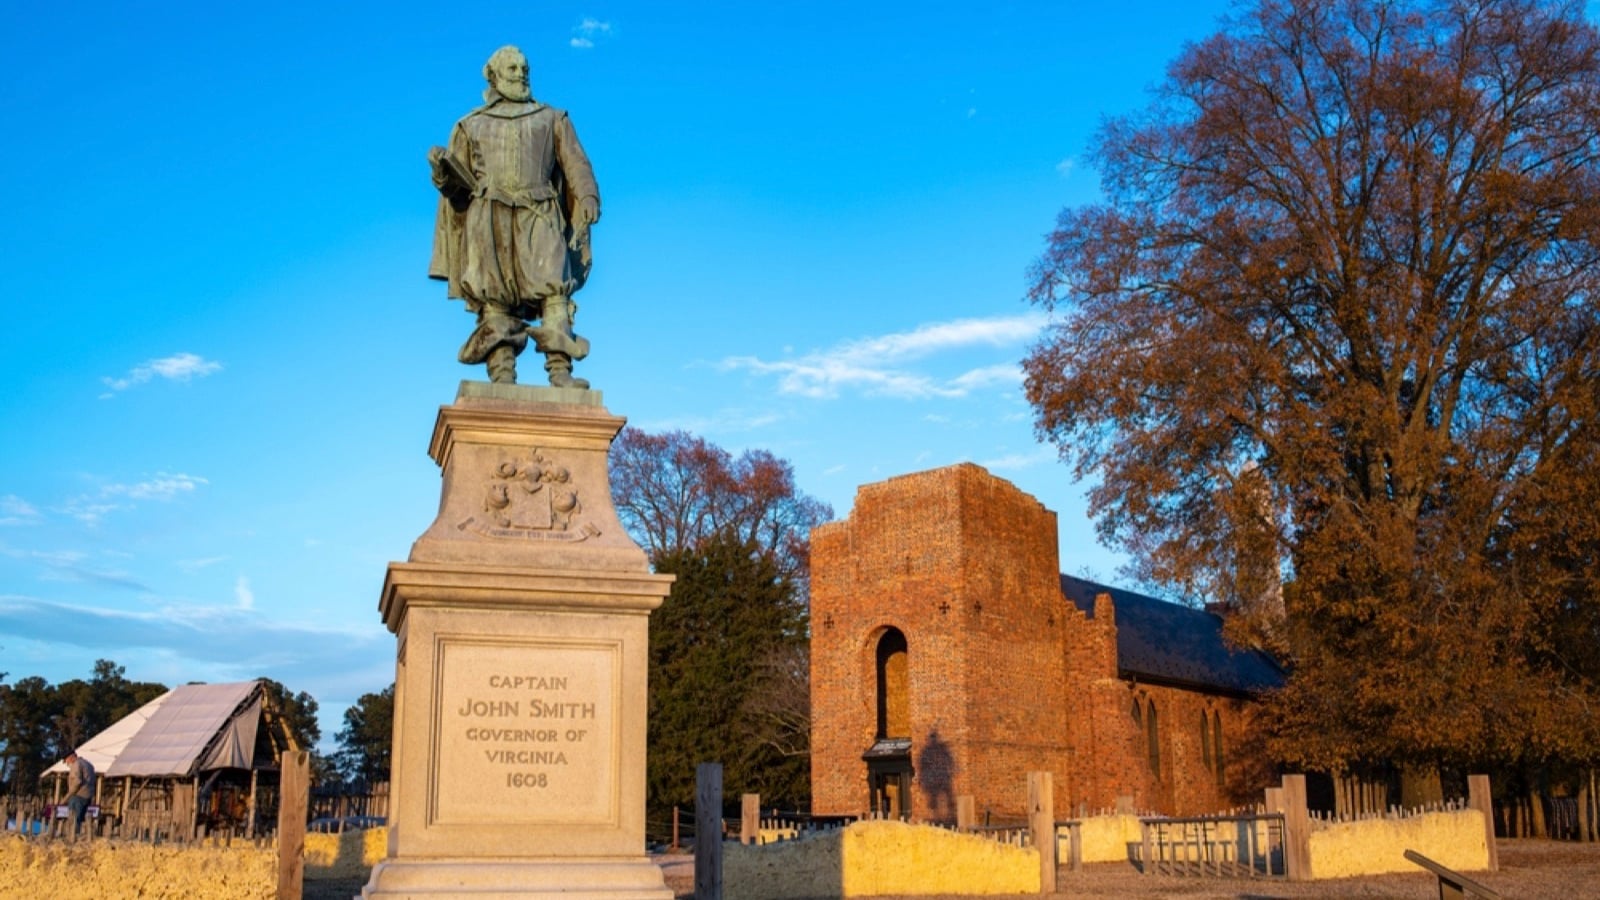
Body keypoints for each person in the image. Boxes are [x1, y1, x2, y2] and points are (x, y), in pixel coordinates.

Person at [430, 45, 601, 388]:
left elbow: (576, 163)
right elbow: (458, 192)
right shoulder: (470, 124)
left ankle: (560, 371)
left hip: (540, 212)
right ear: (493, 75)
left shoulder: (552, 118)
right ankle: (502, 373)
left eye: (524, 68)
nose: (521, 73)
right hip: (488, 220)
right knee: (495, 299)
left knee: (554, 290)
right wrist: (444, 176)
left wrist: (587, 195)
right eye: (512, 68)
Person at [64, 750, 96, 835]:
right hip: (88, 796)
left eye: (66, 760)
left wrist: (68, 795)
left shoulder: (76, 764)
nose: (67, 763)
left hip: (78, 795)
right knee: (81, 819)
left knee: (74, 820)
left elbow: (77, 781)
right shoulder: (89, 764)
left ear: (71, 758)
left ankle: (72, 838)